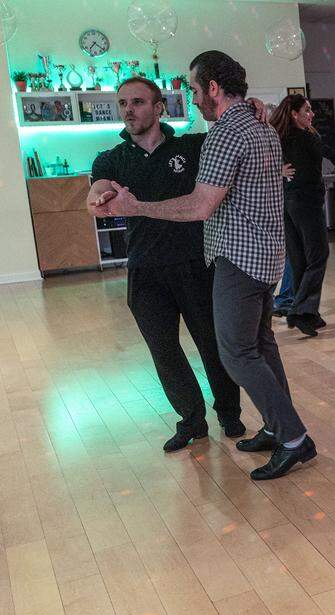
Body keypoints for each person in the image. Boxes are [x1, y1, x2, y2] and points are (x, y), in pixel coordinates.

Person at [93, 50, 316, 481]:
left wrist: (136, 205)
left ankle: (292, 438)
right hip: (266, 257)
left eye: (195, 90)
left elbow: (199, 205)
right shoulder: (261, 127)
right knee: (261, 345)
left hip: (238, 259)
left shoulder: (222, 136)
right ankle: (275, 426)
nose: (193, 99)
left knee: (236, 354)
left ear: (213, 88)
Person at [85, 77, 245, 453]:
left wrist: (255, 110)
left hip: (195, 265)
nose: (128, 110)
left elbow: (230, 150)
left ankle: (230, 413)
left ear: (159, 108)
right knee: (164, 350)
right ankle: (191, 421)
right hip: (145, 271)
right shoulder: (111, 158)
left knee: (212, 346)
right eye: (123, 103)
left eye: (138, 102)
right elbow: (97, 188)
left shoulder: (193, 146)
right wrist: (98, 197)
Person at [269, 95, 335, 336]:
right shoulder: (306, 138)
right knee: (318, 255)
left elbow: (259, 162)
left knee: (300, 260)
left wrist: (276, 170)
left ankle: (308, 316)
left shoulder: (278, 138)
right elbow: (331, 154)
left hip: (286, 205)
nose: (312, 114)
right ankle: (300, 309)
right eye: (307, 110)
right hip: (305, 205)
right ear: (294, 114)